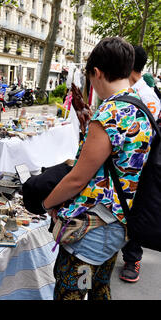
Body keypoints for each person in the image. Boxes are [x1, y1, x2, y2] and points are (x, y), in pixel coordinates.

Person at [42, 37, 156, 300]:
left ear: (97, 72)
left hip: (92, 232)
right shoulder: (141, 107)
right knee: (98, 289)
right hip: (120, 222)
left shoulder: (110, 113)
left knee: (73, 292)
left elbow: (77, 178)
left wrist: (47, 204)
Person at [117, 45, 161, 283]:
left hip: (139, 166)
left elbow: (145, 138)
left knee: (134, 209)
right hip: (123, 163)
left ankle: (132, 257)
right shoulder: (128, 90)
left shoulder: (146, 96)